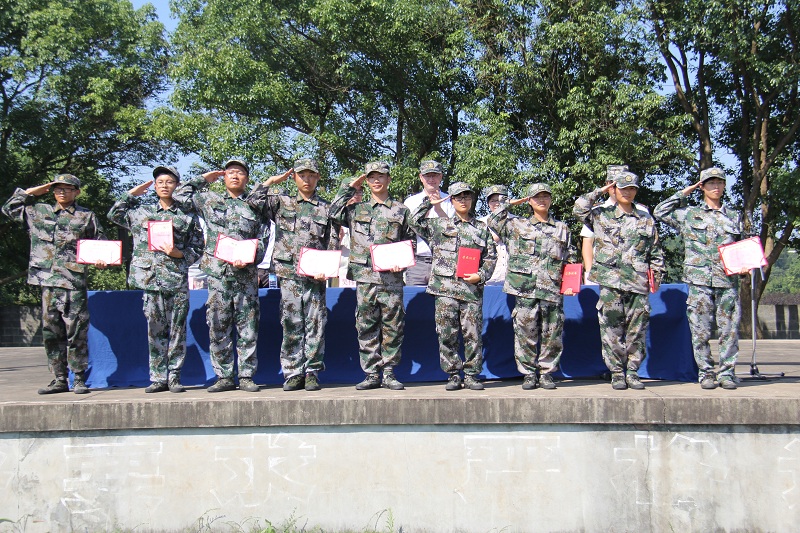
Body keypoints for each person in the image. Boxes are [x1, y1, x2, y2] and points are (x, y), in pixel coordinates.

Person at [2, 174, 106, 394]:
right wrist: (31, 191)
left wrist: (102, 259)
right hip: (47, 281)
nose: (62, 192)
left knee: (77, 331)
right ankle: (59, 378)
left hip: (73, 281)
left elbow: (102, 244)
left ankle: (78, 378)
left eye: (67, 188)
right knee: (51, 332)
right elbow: (9, 208)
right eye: (57, 188)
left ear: (77, 192)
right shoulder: (39, 211)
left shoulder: (86, 216)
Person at [107, 166, 204, 393]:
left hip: (176, 280)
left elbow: (199, 247)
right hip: (150, 280)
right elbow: (113, 214)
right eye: (160, 182)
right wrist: (132, 193)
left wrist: (180, 254)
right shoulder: (141, 212)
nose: (164, 185)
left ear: (177, 185)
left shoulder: (187, 216)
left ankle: (174, 376)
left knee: (177, 330)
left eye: (169, 181)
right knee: (155, 330)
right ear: (154, 186)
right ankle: (158, 377)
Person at [173, 159, 266, 393]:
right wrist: (204, 178)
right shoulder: (209, 200)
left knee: (248, 327)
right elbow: (180, 195)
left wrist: (251, 258)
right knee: (218, 325)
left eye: (240, 173)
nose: (235, 176)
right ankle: (224, 376)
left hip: (245, 276)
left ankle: (246, 376)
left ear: (247, 178)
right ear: (223, 176)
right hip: (218, 276)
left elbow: (264, 238)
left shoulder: (255, 204)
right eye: (230, 172)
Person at [247, 158, 339, 392]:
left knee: (316, 324)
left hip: (315, 276)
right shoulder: (282, 202)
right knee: (291, 322)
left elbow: (332, 241)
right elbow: (253, 201)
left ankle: (312, 372)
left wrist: (328, 270)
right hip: (289, 274)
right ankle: (293, 373)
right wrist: (271, 181)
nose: (307, 180)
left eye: (311, 175)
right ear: (294, 177)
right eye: (302, 175)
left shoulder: (326, 208)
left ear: (317, 178)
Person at [574, 171, 664, 390]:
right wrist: (601, 191)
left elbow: (655, 251)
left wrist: (657, 275)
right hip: (610, 281)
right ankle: (616, 372)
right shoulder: (601, 214)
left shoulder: (645, 218)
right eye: (623, 188)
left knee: (637, 329)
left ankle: (632, 371)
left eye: (632, 189)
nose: (628, 192)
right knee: (611, 329)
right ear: (614, 189)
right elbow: (578, 208)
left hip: (637, 281)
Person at [654, 167, 743, 390]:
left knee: (729, 330)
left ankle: (727, 373)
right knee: (700, 330)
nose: (716, 187)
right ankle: (706, 372)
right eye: (710, 183)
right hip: (699, 281)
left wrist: (747, 266)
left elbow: (743, 246)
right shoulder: (689, 214)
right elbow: (660, 211)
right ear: (701, 186)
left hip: (727, 281)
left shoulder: (734, 216)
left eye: (719, 182)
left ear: (724, 185)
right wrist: (686, 191)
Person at [329, 161, 415, 390]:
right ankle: (371, 373)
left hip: (391, 279)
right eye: (371, 177)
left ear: (388, 179)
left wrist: (402, 263)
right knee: (366, 325)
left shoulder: (401, 210)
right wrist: (349, 186)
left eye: (381, 176)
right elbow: (333, 212)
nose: (376, 180)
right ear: (366, 182)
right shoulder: (355, 210)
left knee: (393, 326)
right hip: (365, 277)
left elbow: (411, 241)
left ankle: (389, 372)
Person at [409, 182, 496, 391]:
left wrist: (481, 275)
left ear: (472, 199)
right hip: (445, 289)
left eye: (467, 197)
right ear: (452, 200)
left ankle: (472, 375)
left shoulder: (481, 228)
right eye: (458, 197)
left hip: (471, 290)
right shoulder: (440, 225)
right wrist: (429, 203)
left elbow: (491, 257)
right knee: (446, 334)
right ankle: (453, 374)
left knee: (473, 334)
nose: (463, 201)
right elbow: (413, 222)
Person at [488, 183, 575, 390]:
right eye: (537, 197)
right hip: (524, 288)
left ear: (551, 199)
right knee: (525, 332)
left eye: (545, 196)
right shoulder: (517, 225)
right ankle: (528, 373)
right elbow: (493, 220)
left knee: (552, 333)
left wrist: (571, 283)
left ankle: (546, 373)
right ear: (529, 201)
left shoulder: (562, 228)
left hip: (552, 288)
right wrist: (510, 203)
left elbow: (570, 257)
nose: (542, 200)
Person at [580, 165, 650, 284]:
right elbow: (587, 243)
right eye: (612, 183)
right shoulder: (598, 211)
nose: (615, 187)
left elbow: (650, 246)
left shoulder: (642, 211)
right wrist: (589, 271)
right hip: (604, 276)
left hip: (634, 277)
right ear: (607, 184)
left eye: (619, 183)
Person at [402, 160, 455, 285]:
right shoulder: (410, 202)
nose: (431, 179)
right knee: (415, 297)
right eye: (427, 176)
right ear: (421, 177)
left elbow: (452, 229)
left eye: (434, 175)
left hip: (443, 261)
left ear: (441, 177)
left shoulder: (450, 200)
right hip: (417, 262)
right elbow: (407, 230)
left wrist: (438, 208)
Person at [480, 184, 511, 284]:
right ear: (488, 203)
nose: (497, 204)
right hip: (489, 277)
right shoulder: (480, 223)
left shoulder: (518, 221)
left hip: (512, 278)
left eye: (500, 200)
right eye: (493, 201)